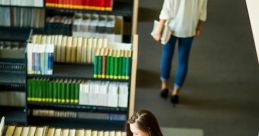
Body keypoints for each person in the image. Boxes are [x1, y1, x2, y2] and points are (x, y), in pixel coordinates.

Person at [152, 0, 208, 104]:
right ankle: (176, 92)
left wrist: (158, 30)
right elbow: (202, 8)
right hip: (189, 28)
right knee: (183, 61)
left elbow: (167, 8)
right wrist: (199, 25)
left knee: (167, 56)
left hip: (171, 28)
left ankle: (164, 86)